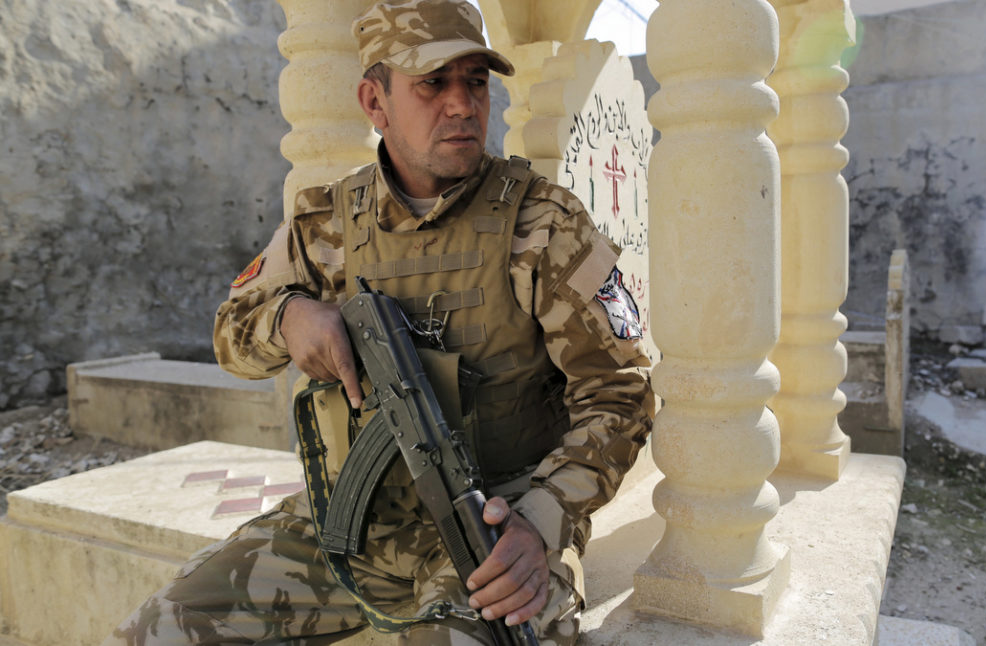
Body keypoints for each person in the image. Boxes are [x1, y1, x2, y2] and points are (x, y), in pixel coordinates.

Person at [103, 0, 653, 644]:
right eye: (432, 83)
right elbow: (231, 335)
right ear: (374, 100)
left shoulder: (543, 225)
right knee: (158, 631)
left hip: (493, 528)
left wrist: (543, 522)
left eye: (475, 81)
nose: (462, 104)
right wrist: (289, 317)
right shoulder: (327, 223)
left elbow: (621, 393)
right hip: (348, 523)